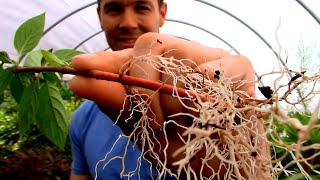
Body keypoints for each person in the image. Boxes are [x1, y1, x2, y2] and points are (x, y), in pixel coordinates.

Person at [69, 0, 269, 179]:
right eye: (114, 9)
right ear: (100, 17)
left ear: (162, 13)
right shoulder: (82, 120)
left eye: (142, 7)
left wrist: (247, 168)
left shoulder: (203, 91)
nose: (128, 22)